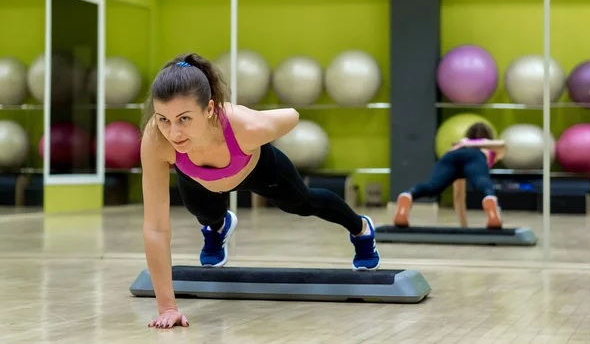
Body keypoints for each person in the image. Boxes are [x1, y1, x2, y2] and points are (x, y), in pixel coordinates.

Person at [140, 53, 380, 329]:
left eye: (184, 118)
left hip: (258, 169)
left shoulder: (246, 126)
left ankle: (361, 229)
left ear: (209, 108)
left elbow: (292, 115)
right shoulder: (157, 140)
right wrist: (167, 307)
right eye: (163, 119)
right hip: (200, 180)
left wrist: (248, 117)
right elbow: (156, 227)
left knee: (303, 202)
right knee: (205, 214)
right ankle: (218, 228)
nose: (174, 132)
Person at [393, 122, 506, 229]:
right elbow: (503, 144)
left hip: (450, 156)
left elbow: (458, 195)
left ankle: (409, 195)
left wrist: (463, 226)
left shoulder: (461, 144)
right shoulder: (490, 148)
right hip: (475, 156)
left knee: (432, 186)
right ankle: (489, 198)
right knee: (481, 181)